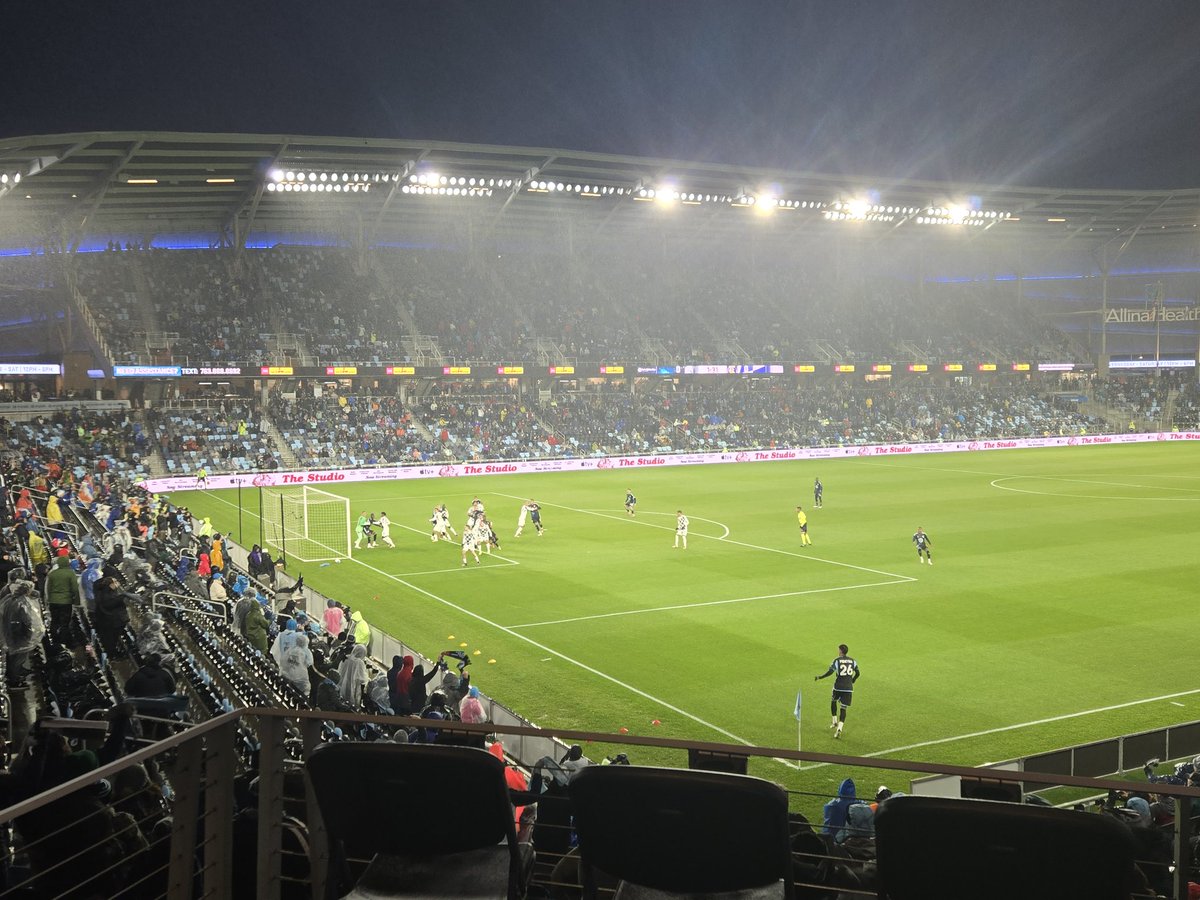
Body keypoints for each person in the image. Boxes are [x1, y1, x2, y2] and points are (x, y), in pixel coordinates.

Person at [815, 644, 860, 739]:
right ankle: (839, 727)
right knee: (843, 708)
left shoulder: (837, 660)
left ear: (840, 651)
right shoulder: (853, 661)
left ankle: (834, 720)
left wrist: (820, 677)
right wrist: (853, 680)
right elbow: (858, 673)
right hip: (849, 688)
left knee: (833, 701)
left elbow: (830, 672)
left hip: (838, 686)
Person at [46, 551, 81, 644]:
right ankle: (64, 641)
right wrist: (77, 601)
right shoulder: (70, 573)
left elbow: (48, 589)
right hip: (66, 602)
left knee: (54, 621)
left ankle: (54, 640)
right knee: (64, 623)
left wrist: (49, 599)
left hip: (53, 601)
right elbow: (75, 588)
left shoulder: (52, 574)